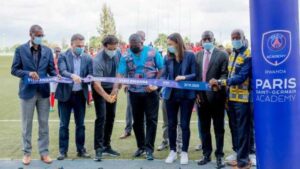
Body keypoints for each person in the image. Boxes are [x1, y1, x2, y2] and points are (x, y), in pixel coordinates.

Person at [11, 24, 56, 165]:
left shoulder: (48, 51)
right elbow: (14, 70)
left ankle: (44, 153)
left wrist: (57, 76)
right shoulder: (20, 50)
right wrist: (28, 73)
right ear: (30, 35)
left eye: (42, 35)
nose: (40, 38)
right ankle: (27, 153)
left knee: (44, 125)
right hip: (27, 92)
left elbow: (51, 70)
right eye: (38, 35)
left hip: (43, 93)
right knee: (27, 125)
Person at [114, 33, 163, 160]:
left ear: (142, 42)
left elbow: (162, 69)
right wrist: (116, 87)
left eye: (136, 45)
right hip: (134, 93)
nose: (134, 47)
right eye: (131, 45)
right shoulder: (126, 55)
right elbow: (120, 72)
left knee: (151, 121)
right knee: (137, 122)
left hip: (151, 93)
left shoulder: (153, 52)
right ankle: (141, 147)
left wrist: (154, 83)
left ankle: (149, 149)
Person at [210, 29, 252, 169]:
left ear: (243, 38)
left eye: (237, 37)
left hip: (243, 99)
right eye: (232, 37)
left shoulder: (248, 54)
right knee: (234, 128)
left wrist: (220, 82)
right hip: (231, 98)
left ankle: (243, 161)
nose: (235, 40)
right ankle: (239, 155)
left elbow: (241, 77)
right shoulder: (233, 53)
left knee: (243, 129)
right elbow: (229, 74)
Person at [56, 34, 92, 160]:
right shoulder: (63, 56)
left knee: (80, 125)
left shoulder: (88, 58)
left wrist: (89, 78)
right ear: (71, 45)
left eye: (82, 46)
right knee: (63, 125)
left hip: (80, 96)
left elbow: (90, 74)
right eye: (78, 46)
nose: (81, 48)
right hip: (65, 95)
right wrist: (72, 75)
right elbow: (62, 70)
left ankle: (81, 150)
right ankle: (62, 151)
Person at [195, 31, 228, 169]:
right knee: (204, 128)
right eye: (204, 39)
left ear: (213, 40)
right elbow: (196, 76)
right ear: (201, 41)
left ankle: (219, 156)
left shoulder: (222, 55)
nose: (206, 41)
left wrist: (218, 82)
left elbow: (225, 73)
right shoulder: (198, 55)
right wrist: (197, 93)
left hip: (217, 97)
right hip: (201, 98)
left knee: (219, 129)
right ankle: (206, 154)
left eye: (209, 39)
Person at [162, 33, 196, 165]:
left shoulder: (190, 55)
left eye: (170, 44)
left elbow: (195, 74)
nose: (169, 46)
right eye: (168, 44)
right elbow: (164, 74)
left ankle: (184, 152)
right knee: (171, 124)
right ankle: (172, 151)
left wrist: (184, 77)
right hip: (171, 95)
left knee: (184, 124)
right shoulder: (167, 57)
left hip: (187, 96)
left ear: (177, 42)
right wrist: (156, 84)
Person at [92, 35, 122, 161]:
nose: (113, 51)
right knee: (102, 117)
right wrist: (106, 96)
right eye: (111, 49)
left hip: (112, 87)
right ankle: (98, 149)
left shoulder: (118, 53)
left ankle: (106, 145)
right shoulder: (97, 59)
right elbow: (96, 84)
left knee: (111, 117)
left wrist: (115, 90)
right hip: (100, 89)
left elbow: (119, 73)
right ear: (104, 47)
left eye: (115, 48)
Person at [119, 30, 146, 139]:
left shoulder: (148, 52)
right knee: (129, 109)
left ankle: (141, 131)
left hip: (145, 88)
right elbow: (124, 69)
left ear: (143, 40)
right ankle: (127, 130)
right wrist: (125, 83)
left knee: (143, 111)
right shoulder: (128, 53)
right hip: (132, 87)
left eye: (140, 38)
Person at [50, 47, 61, 112]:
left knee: (62, 92)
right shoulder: (52, 60)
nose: (58, 52)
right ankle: (51, 106)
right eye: (57, 51)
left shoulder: (62, 60)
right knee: (52, 92)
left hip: (61, 79)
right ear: (54, 52)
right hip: (53, 79)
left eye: (59, 51)